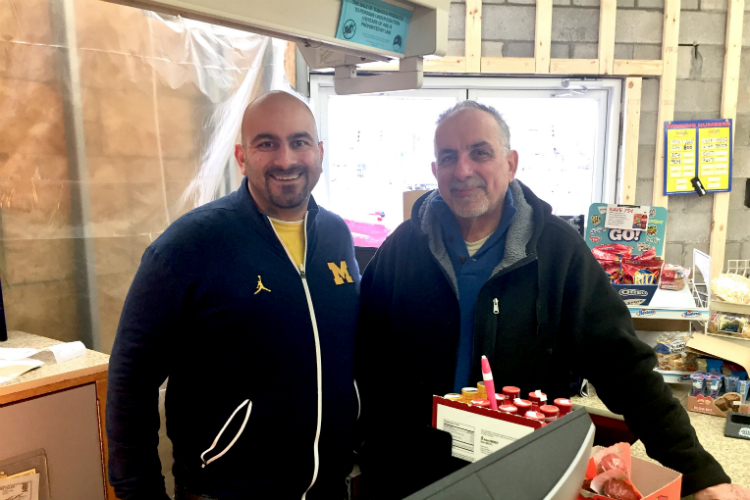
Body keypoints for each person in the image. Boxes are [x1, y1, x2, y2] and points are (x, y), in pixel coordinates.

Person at [355, 100, 750, 500]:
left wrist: (699, 473)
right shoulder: (402, 249)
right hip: (407, 474)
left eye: (480, 152)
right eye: (448, 157)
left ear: (510, 163)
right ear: (435, 171)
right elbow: (364, 357)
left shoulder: (557, 252)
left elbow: (624, 368)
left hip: (517, 477)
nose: (463, 170)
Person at [106, 91, 360, 500]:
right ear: (242, 157)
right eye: (266, 143)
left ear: (320, 151)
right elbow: (131, 378)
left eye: (299, 142)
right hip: (226, 491)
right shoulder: (191, 245)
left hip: (328, 488)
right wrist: (138, 492)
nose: (286, 159)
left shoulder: (336, 235)